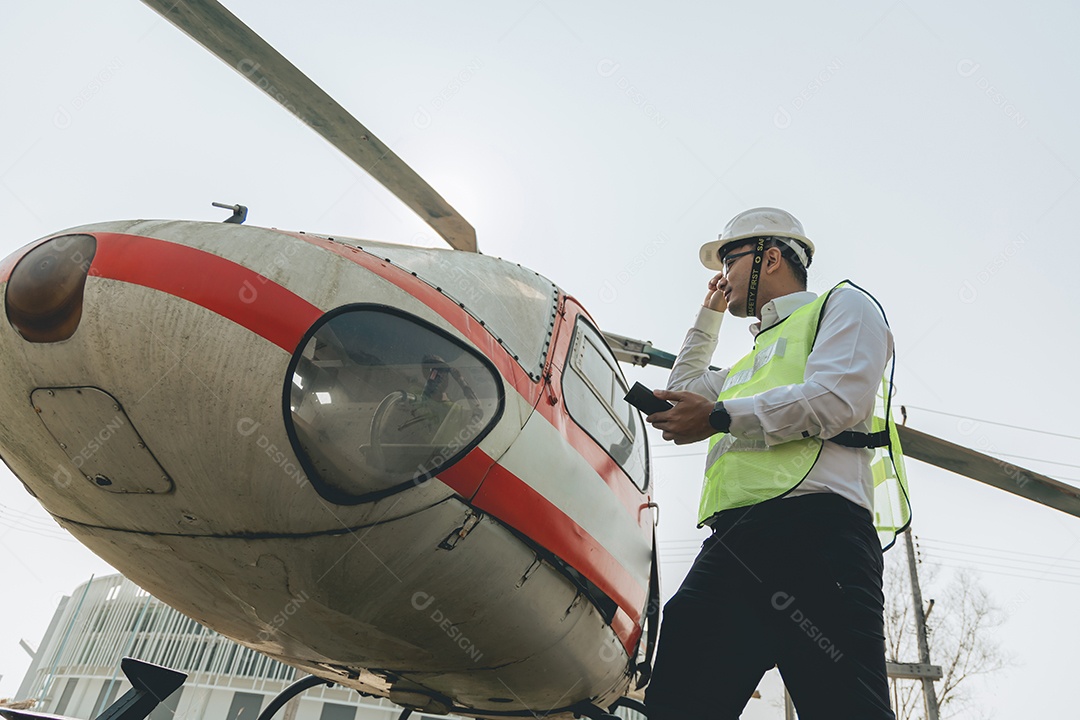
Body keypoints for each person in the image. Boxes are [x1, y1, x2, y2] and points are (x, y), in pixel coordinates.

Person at [642, 207, 908, 719]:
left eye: (730, 259)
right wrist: (709, 315)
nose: (722, 275)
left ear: (773, 257)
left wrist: (720, 416)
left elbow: (835, 401)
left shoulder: (844, 307)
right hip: (733, 546)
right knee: (676, 701)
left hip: (819, 540)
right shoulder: (744, 367)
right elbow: (682, 395)